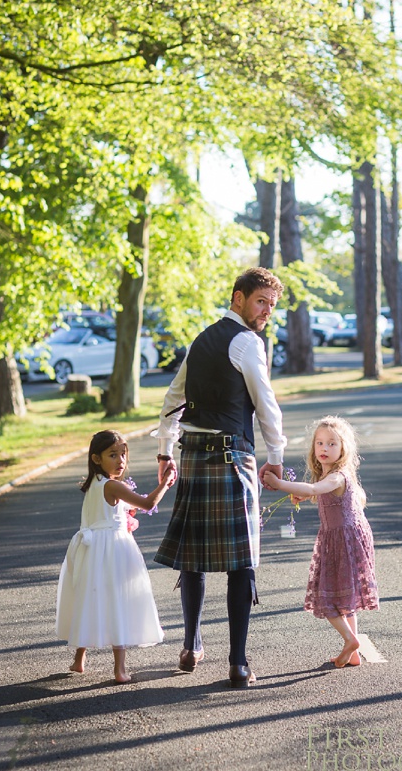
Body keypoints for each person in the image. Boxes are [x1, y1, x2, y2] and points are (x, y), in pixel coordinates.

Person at [154, 267, 286, 687]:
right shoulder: (248, 343)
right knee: (240, 562)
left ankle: (192, 646)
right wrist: (276, 456)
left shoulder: (201, 339)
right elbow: (266, 404)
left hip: (194, 456)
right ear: (238, 298)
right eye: (261, 301)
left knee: (193, 559)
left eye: (271, 305)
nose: (266, 311)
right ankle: (238, 661)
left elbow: (172, 400)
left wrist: (165, 450)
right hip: (232, 458)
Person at [56, 429, 176, 683]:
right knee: (117, 600)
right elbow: (147, 504)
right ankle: (119, 669)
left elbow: (114, 511)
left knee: (89, 598)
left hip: (91, 551)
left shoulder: (94, 485)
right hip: (113, 550)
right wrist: (165, 483)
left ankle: (79, 659)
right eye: (113, 455)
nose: (121, 461)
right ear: (96, 458)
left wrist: (126, 515)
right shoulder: (112, 485)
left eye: (123, 454)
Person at [263, 415, 378, 668]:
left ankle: (351, 640)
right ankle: (354, 652)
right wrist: (304, 497)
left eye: (332, 444)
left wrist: (279, 483)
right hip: (344, 537)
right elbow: (323, 495)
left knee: (328, 597)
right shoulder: (331, 476)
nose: (325, 449)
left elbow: (317, 489)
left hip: (342, 541)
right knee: (345, 596)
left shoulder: (337, 476)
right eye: (320, 443)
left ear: (344, 448)